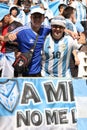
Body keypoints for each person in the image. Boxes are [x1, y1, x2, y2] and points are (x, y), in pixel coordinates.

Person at [0, 7, 51, 77]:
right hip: (22, 71)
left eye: (39, 17)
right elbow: (6, 37)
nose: (37, 19)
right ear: (30, 17)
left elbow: (58, 29)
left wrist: (68, 31)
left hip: (38, 72)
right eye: (35, 17)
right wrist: (9, 36)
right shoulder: (22, 30)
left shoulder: (46, 29)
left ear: (43, 18)